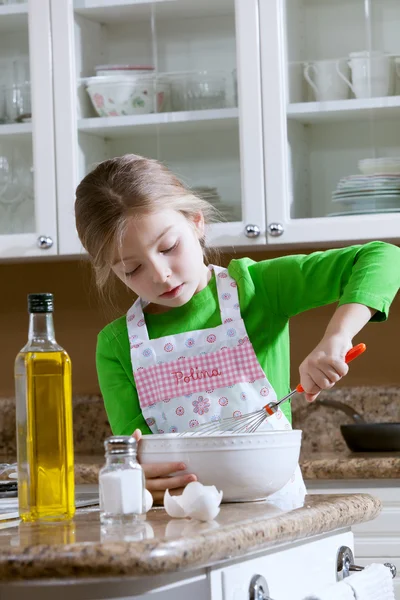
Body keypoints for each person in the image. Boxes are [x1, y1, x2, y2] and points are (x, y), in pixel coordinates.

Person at [75, 154, 400, 506]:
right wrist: (137, 476)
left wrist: (337, 337)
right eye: (132, 269)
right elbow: (138, 459)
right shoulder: (117, 345)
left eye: (169, 247)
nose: (160, 275)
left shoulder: (255, 289)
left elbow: (382, 258)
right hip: (184, 524)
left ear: (197, 222)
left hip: (277, 513)